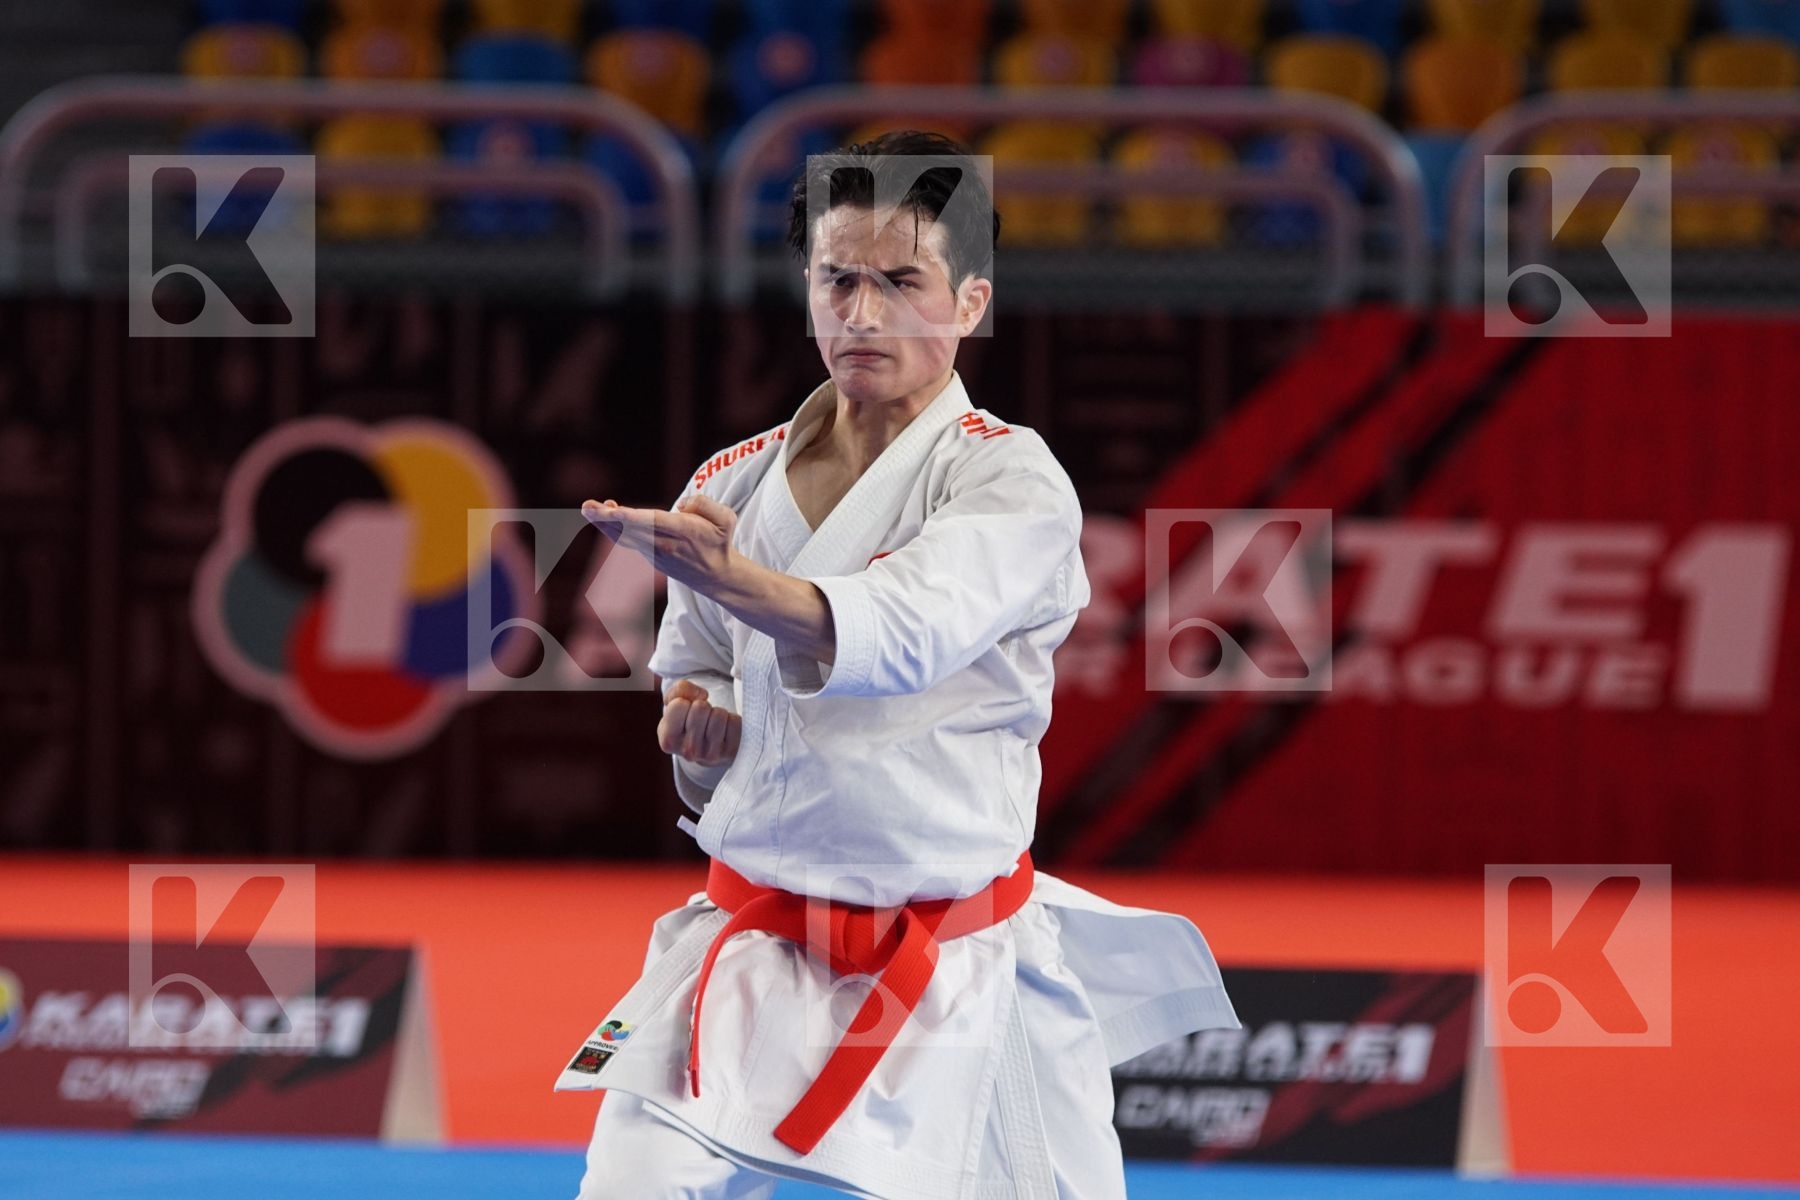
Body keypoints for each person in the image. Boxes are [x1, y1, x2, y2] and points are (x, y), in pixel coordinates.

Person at [560, 130, 1238, 1200]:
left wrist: (737, 584)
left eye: (900, 281)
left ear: (970, 301)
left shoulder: (1011, 482)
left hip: (959, 965)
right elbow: (698, 675)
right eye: (838, 279)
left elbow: (901, 630)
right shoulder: (732, 483)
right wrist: (698, 733)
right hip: (751, 941)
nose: (862, 315)